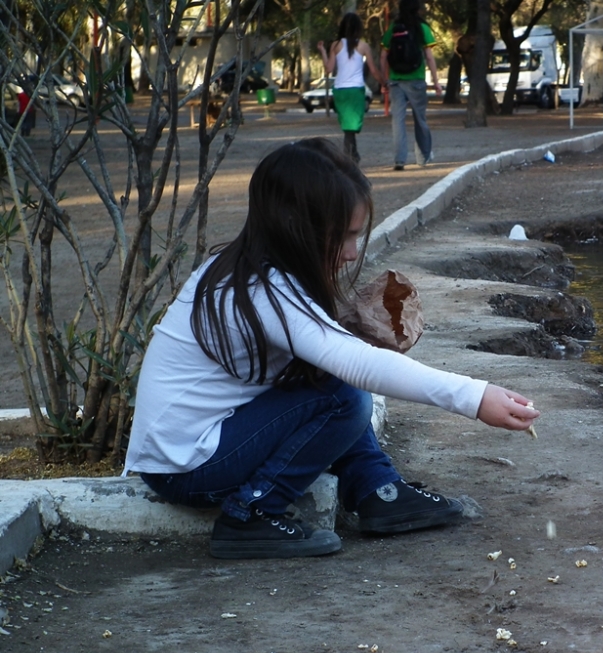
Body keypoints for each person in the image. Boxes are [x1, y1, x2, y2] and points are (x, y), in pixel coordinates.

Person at [124, 138, 539, 560]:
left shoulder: (250, 269)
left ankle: (379, 491)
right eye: (344, 236)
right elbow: (357, 365)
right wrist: (474, 396)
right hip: (186, 467)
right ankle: (250, 513)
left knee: (332, 382)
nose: (352, 252)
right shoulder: (263, 290)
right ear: (294, 226)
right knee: (342, 397)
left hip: (193, 448)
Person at [316, 13, 384, 163]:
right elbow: (373, 70)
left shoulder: (335, 45)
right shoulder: (364, 46)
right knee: (351, 126)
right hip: (356, 90)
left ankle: (352, 155)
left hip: (340, 90)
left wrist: (322, 51)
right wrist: (384, 82)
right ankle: (350, 157)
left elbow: (328, 69)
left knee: (348, 126)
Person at [381, 0, 440, 171]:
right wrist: (436, 82)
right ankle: (423, 157)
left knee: (397, 121)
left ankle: (399, 160)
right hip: (416, 80)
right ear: (418, 9)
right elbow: (429, 57)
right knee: (420, 119)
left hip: (396, 81)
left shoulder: (393, 28)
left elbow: (383, 56)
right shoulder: (422, 28)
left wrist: (384, 80)